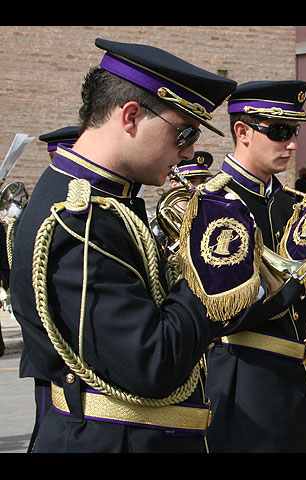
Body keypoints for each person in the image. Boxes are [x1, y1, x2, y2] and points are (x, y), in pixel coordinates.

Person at [8, 37, 274, 453]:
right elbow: (153, 361)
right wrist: (214, 269)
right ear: (130, 116)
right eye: (183, 133)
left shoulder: (100, 200)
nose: (188, 152)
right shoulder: (81, 216)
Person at [204, 80, 306, 453]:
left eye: (295, 132)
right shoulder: (215, 204)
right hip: (244, 375)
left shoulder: (292, 203)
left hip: (298, 374)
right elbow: (230, 314)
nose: (292, 143)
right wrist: (299, 277)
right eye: (279, 131)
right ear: (242, 131)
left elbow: (305, 313)